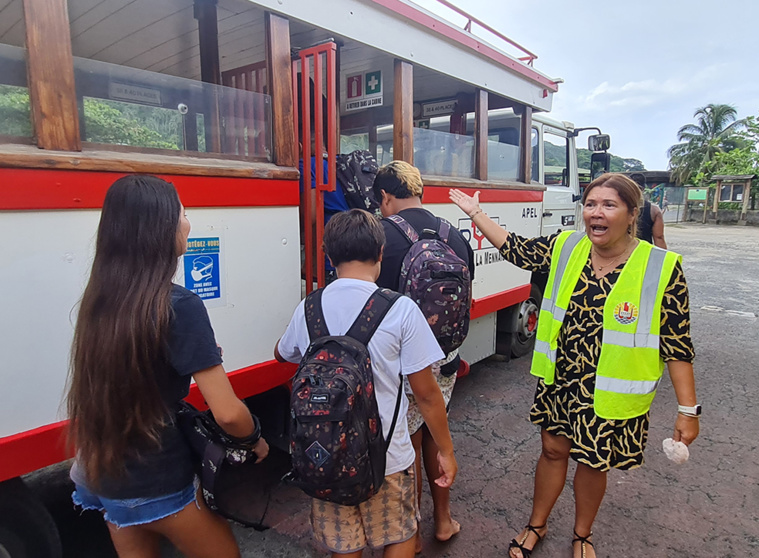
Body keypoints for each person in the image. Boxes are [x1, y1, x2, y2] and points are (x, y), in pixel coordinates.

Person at [449, 173, 699, 558]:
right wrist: (476, 213)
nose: (596, 214)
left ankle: (583, 534)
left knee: (594, 462)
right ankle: (537, 523)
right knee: (551, 451)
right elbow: (518, 249)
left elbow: (677, 344)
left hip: (611, 388)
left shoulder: (661, 268)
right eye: (591, 204)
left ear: (633, 214)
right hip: (562, 379)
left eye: (609, 205)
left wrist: (688, 410)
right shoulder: (568, 246)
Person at [66, 175, 269, 558]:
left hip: (103, 475)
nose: (187, 222)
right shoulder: (179, 305)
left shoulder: (99, 299)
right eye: (182, 213)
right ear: (159, 229)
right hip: (158, 477)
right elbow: (227, 414)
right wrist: (255, 438)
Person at [274, 209, 457, 558]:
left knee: (345, 546)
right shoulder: (400, 309)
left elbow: (283, 354)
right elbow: (427, 395)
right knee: (400, 534)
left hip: (326, 453)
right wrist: (446, 452)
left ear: (329, 255)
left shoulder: (310, 307)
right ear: (380, 253)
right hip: (387, 456)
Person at [373, 160, 473, 550]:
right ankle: (444, 520)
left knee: (409, 440)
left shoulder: (380, 234)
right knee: (435, 430)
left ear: (384, 196)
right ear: (420, 192)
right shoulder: (454, 235)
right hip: (444, 355)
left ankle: (410, 532)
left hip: (401, 361)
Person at [629, 173, 667, 249]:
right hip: (645, 253)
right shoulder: (654, 210)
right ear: (643, 188)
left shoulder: (618, 208)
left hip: (621, 255)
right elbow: (659, 238)